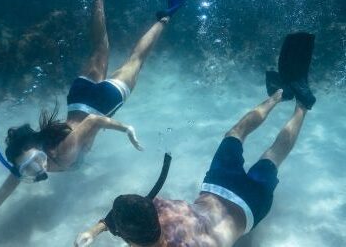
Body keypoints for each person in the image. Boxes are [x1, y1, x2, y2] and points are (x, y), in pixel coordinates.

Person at [0, 0, 186, 247]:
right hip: (78, 94)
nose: (37, 168)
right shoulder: (30, 162)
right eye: (28, 169)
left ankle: (167, 15)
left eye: (34, 161)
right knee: (100, 46)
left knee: (136, 60)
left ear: (39, 149)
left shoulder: (60, 152)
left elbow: (92, 122)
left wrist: (125, 128)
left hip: (103, 102)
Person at [75, 33, 316, 247]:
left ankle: (299, 105)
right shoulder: (159, 208)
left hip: (248, 205)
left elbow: (126, 214)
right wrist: (95, 230)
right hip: (221, 189)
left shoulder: (152, 214)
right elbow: (132, 211)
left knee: (272, 155)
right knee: (237, 135)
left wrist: (94, 230)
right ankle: (280, 95)